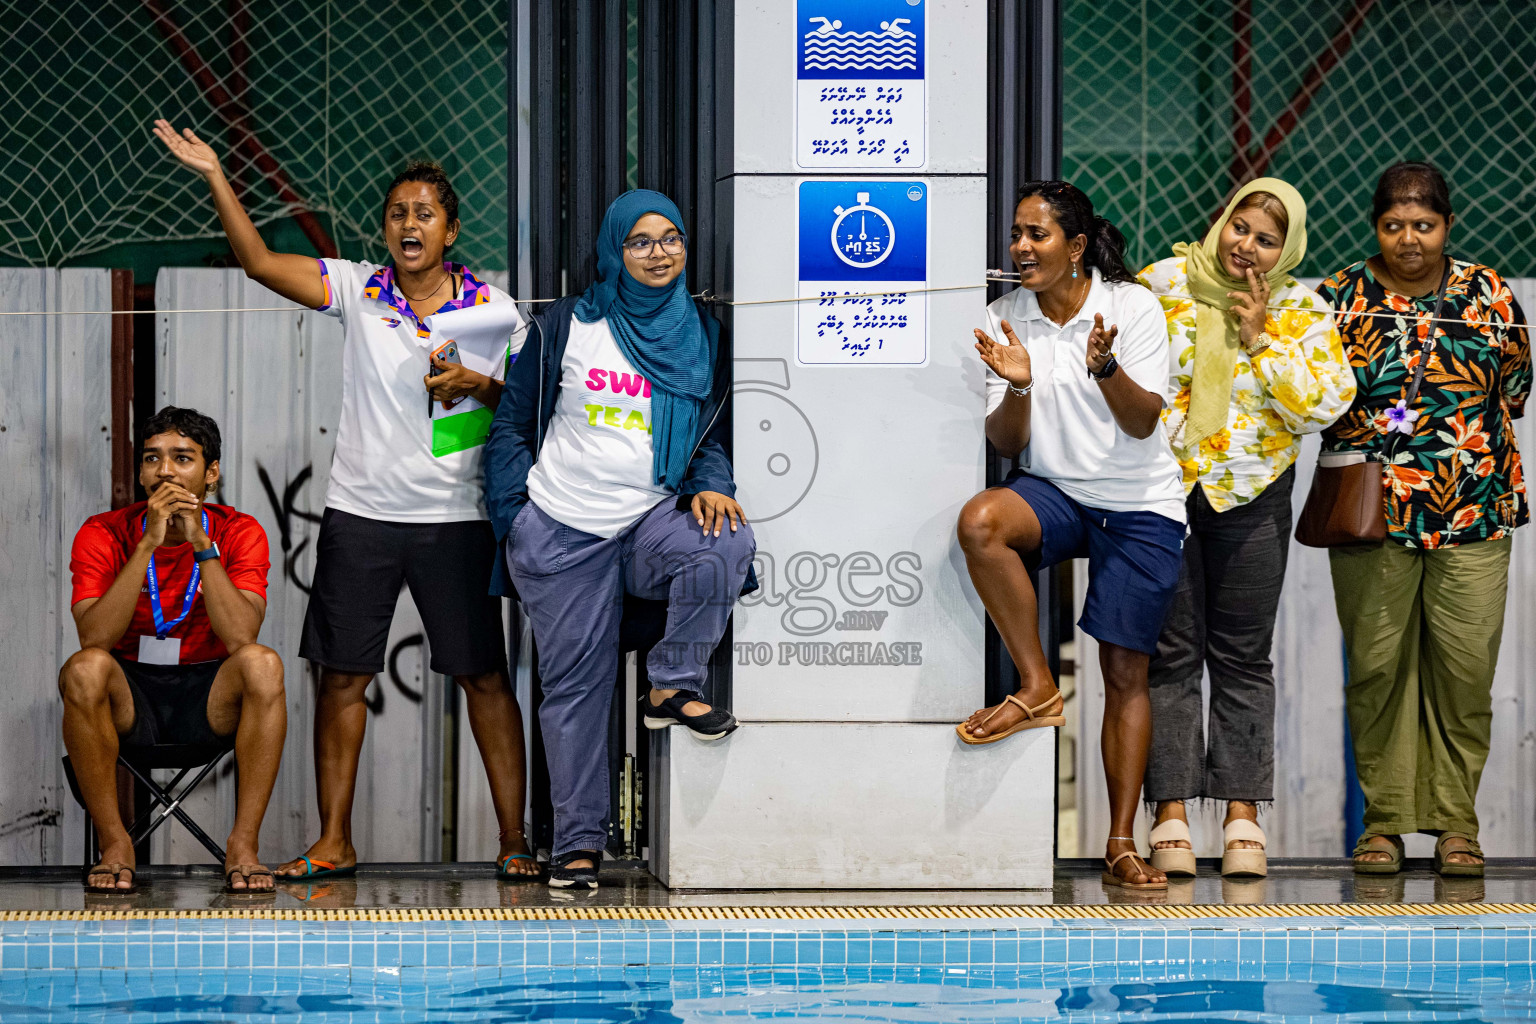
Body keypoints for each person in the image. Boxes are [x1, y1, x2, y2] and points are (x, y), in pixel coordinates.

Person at [152, 120, 538, 881]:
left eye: (424, 212)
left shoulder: (494, 309)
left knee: (484, 677)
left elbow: (529, 403)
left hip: (455, 516)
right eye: (397, 213)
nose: (408, 224)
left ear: (451, 228)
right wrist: (216, 176)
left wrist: (481, 385)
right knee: (342, 677)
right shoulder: (358, 288)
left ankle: (514, 839)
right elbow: (260, 262)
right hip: (361, 514)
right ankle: (335, 839)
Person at [484, 190, 754, 891]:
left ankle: (671, 685)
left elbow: (708, 433)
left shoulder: (703, 332)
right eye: (640, 241)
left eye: (671, 238)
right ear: (614, 251)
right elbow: (513, 425)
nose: (659, 252)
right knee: (576, 687)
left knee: (722, 544)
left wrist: (713, 478)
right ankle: (576, 845)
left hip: (646, 520)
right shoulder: (570, 324)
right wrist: (517, 517)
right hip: (561, 528)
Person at [954, 181, 1184, 891]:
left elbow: (1143, 423)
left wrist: (1105, 367)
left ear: (1076, 247)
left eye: (1038, 235)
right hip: (1057, 491)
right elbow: (1004, 441)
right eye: (1016, 235)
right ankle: (1037, 686)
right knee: (982, 521)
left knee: (1125, 674)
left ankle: (1120, 842)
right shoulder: (1005, 316)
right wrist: (1018, 385)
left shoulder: (1131, 306)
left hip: (1141, 503)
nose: (1021, 248)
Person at [1138, 179, 1354, 879]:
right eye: (1240, 228)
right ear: (1221, 222)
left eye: (1266, 239)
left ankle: (1241, 818)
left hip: (1252, 494)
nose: (1247, 247)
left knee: (1241, 657)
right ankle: (1168, 814)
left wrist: (1261, 339)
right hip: (1162, 491)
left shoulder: (1302, 308)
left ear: (1284, 249)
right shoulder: (1161, 283)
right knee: (1168, 656)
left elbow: (1320, 406)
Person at [1320, 162, 1529, 878]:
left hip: (1475, 508)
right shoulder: (1338, 298)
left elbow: (1517, 390)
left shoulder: (1490, 295)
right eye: (1393, 225)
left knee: (1464, 675)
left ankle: (1456, 827)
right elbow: (1312, 399)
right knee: (1377, 670)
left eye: (1424, 224)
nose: (1409, 239)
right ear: (1375, 225)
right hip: (1372, 516)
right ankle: (1383, 824)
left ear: (1447, 224)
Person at [63, 407, 286, 894]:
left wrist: (203, 545)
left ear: (211, 473)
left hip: (209, 696)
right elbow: (94, 639)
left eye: (182, 458)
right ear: (140, 472)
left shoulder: (238, 531)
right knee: (83, 670)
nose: (164, 471)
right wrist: (146, 545)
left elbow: (241, 637)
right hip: (131, 697)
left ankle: (242, 846)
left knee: (263, 664)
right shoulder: (103, 532)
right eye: (152, 459)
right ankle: (116, 844)